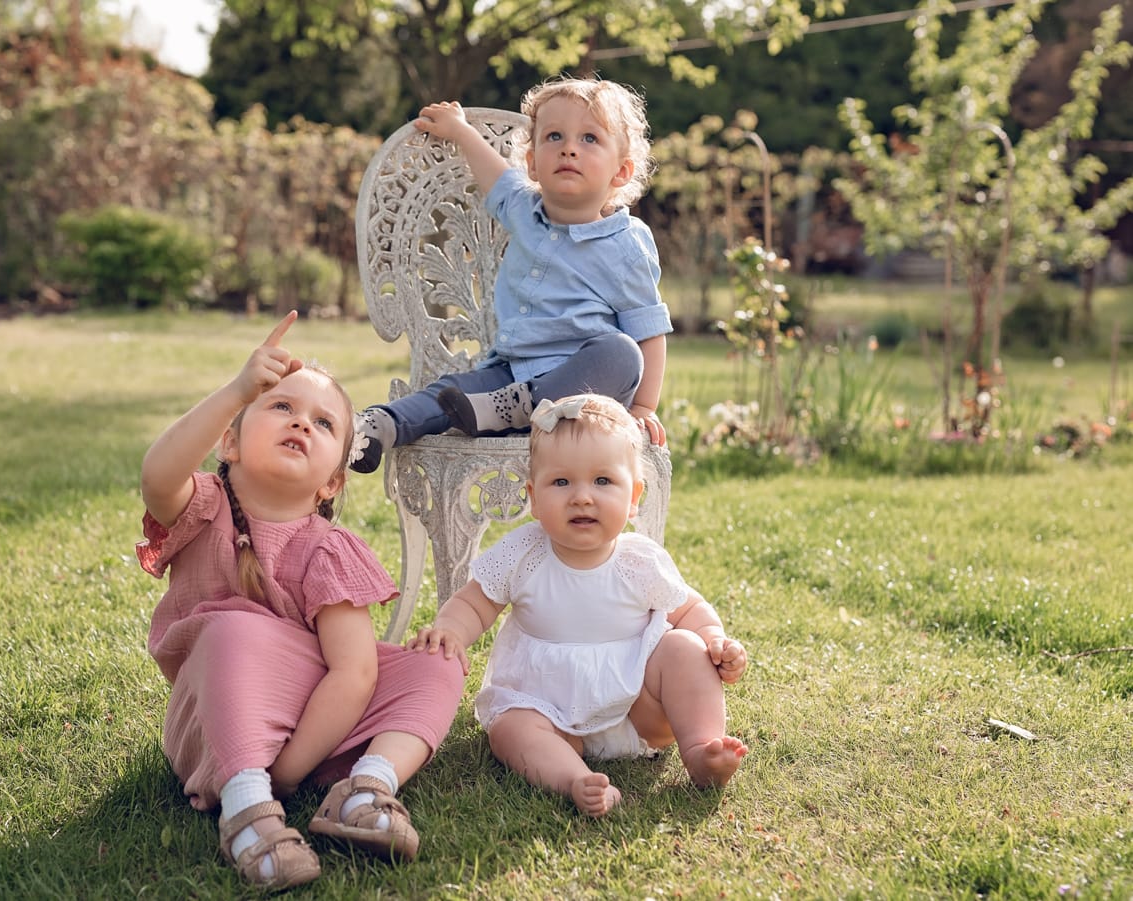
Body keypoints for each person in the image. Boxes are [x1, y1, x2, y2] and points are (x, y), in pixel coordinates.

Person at [137, 312, 465, 890]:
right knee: (233, 628)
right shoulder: (204, 507)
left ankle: (366, 787)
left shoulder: (328, 550)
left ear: (332, 482)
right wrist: (239, 390)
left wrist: (291, 770)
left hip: (314, 723)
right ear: (231, 442)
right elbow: (159, 475)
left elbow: (354, 672)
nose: (301, 424)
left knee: (435, 664)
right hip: (218, 717)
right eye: (280, 407)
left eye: (323, 422)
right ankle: (247, 809)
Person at [407, 394, 748, 817]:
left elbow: (690, 610)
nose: (582, 497)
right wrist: (451, 631)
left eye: (603, 482)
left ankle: (701, 751)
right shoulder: (522, 553)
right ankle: (574, 779)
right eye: (562, 482)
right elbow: (475, 604)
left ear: (634, 495)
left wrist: (715, 639)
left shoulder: (638, 560)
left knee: (685, 649)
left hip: (638, 710)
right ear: (534, 496)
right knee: (510, 729)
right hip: (548, 711)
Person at [350, 76, 671, 474]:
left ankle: (520, 406)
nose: (569, 147)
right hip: (506, 376)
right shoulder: (524, 208)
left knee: (622, 352)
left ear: (621, 172)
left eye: (590, 139)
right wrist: (460, 130)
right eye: (554, 136)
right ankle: (378, 425)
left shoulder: (625, 244)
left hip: (579, 396)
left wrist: (643, 406)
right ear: (533, 163)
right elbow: (495, 174)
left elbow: (648, 330)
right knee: (449, 391)